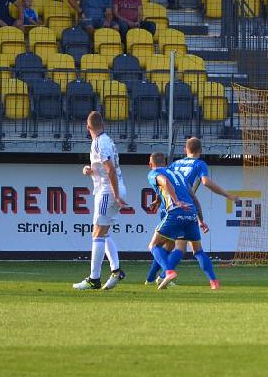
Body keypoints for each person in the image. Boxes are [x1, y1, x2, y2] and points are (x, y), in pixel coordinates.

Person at [145, 138, 237, 289]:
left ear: (184, 150)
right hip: (187, 207)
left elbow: (163, 183)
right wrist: (226, 195)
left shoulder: (174, 165)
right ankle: (162, 276)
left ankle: (156, 276)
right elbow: (203, 185)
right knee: (183, 248)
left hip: (171, 208)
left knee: (165, 246)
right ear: (200, 151)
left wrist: (158, 200)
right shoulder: (199, 164)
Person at [73, 111, 129, 291]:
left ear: (88, 127)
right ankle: (116, 270)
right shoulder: (107, 141)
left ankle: (94, 279)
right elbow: (106, 168)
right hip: (112, 188)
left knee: (97, 234)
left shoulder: (99, 142)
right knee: (103, 232)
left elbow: (110, 169)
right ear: (102, 124)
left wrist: (116, 195)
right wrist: (91, 170)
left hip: (107, 191)